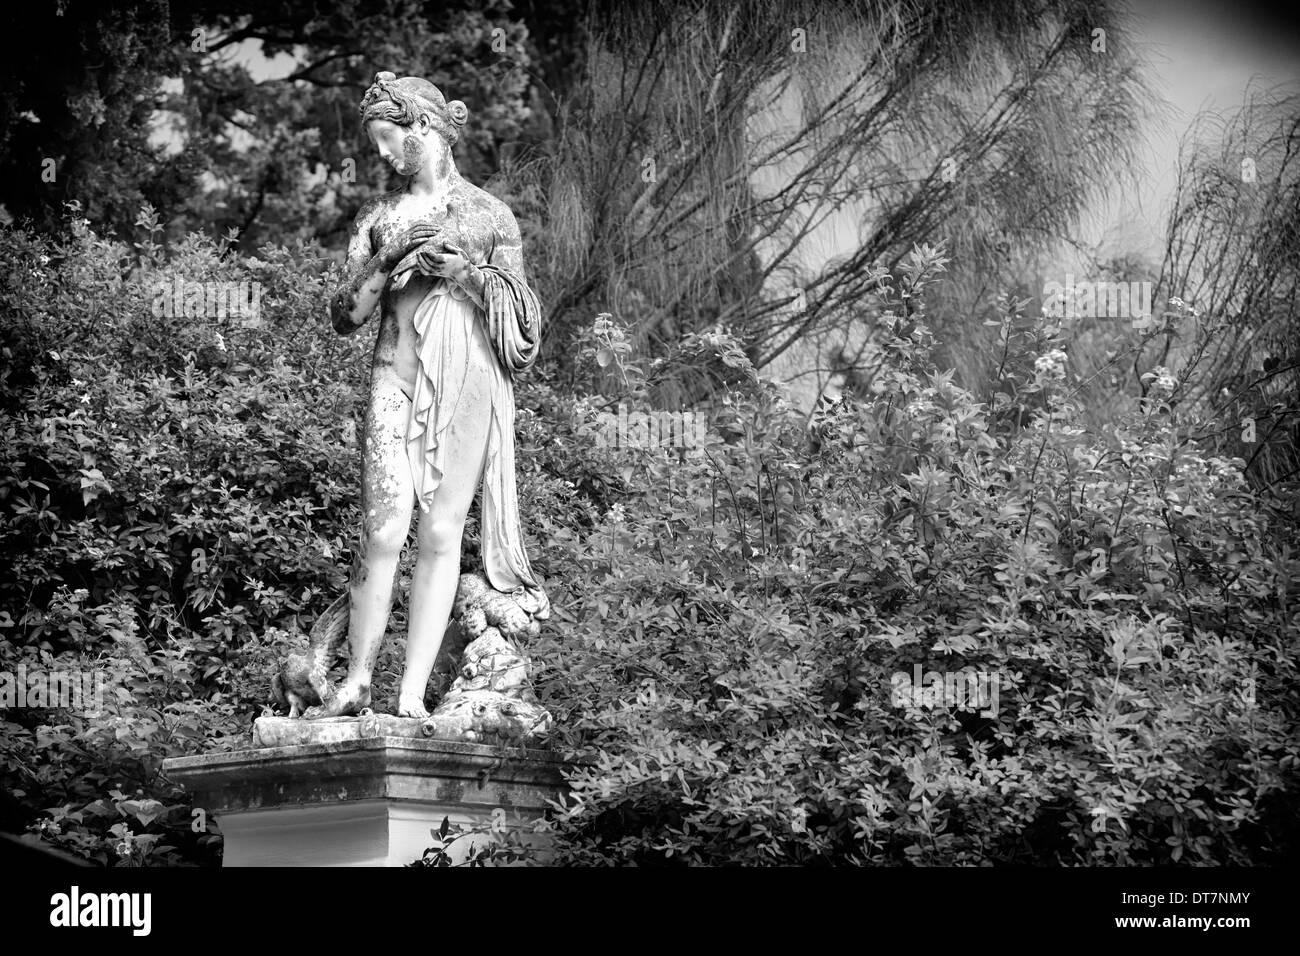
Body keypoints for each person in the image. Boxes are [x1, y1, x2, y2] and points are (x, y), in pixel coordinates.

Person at [318, 71, 549, 719]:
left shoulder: (489, 215)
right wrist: (391, 261)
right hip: (394, 379)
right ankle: (356, 680)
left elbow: (526, 321)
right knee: (383, 530)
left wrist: (465, 273)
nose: (387, 156)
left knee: (443, 532)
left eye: (393, 140)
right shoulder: (381, 218)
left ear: (428, 128)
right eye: (378, 145)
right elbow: (345, 313)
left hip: (468, 379)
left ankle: (412, 695)